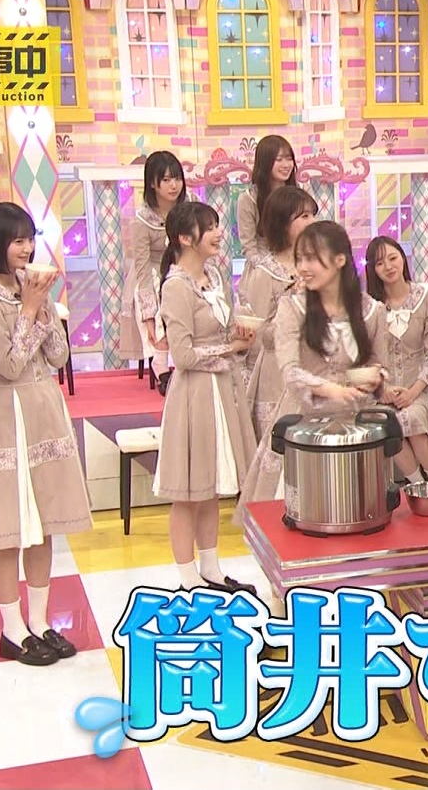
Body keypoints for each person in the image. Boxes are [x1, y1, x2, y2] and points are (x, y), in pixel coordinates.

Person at [0, 203, 95, 667]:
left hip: (43, 408)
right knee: (9, 529)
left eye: (30, 238)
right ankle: (11, 630)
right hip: (4, 410)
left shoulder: (28, 284)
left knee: (43, 524)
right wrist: (31, 309)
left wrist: (43, 309)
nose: (27, 248)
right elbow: (10, 364)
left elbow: (58, 355)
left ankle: (39, 621)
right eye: (17, 240)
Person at [235, 220, 388, 518]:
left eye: (312, 258)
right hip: (301, 423)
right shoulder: (293, 308)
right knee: (297, 515)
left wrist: (374, 378)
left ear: (340, 259)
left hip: (353, 424)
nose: (303, 267)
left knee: (351, 512)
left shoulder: (372, 310)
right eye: (300, 259)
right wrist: (329, 389)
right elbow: (289, 370)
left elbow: (379, 364)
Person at [153, 202, 259, 593]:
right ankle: (187, 577)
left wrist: (240, 337)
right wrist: (230, 348)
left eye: (216, 226)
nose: (217, 233)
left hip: (222, 389)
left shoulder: (214, 276)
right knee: (188, 491)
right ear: (185, 238)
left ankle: (211, 569)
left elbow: (225, 332)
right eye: (209, 227)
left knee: (211, 487)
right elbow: (182, 356)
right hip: (194, 394)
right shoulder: (175, 286)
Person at [365, 235, 428, 483]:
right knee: (390, 422)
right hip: (383, 392)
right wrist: (384, 389)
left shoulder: (427, 297)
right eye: (380, 263)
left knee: (413, 417)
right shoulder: (369, 307)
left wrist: (412, 392)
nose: (388, 267)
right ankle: (417, 486)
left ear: (402, 258)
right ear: (372, 269)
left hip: (419, 388)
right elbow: (366, 356)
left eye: (393, 258)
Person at [238, 186, 318, 438]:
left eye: (313, 215)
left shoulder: (317, 266)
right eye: (304, 216)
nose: (312, 222)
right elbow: (261, 335)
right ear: (283, 223)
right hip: (277, 374)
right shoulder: (265, 273)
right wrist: (294, 309)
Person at [123, 150, 188, 390]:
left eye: (177, 178)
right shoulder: (142, 220)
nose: (174, 185)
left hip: (184, 268)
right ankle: (161, 368)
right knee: (158, 305)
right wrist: (149, 315)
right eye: (166, 180)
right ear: (152, 183)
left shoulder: (189, 208)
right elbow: (142, 268)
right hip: (152, 273)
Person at [235, 135, 298, 259]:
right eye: (279, 160)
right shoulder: (249, 199)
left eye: (289, 159)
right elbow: (249, 246)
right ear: (265, 162)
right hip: (262, 263)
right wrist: (266, 268)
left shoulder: (300, 192)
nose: (286, 165)